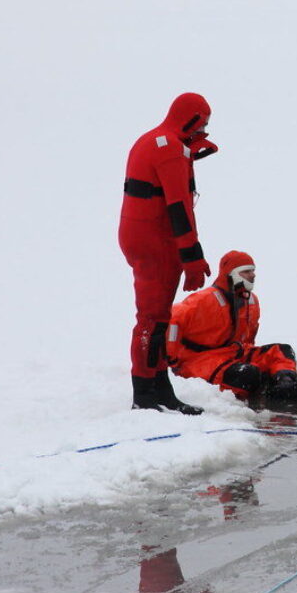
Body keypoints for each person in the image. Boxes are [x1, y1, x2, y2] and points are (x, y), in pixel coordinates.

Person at [120, 92, 219, 415]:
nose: (203, 129)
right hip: (155, 240)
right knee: (152, 319)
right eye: (202, 123)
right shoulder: (171, 149)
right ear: (191, 119)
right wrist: (193, 256)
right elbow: (179, 207)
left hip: (144, 235)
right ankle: (145, 394)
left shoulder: (153, 139)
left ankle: (159, 388)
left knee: (157, 317)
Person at [167, 250, 297, 402]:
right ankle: (260, 387)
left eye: (253, 271)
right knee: (248, 374)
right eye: (246, 271)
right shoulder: (205, 300)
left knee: (282, 351)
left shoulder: (251, 301)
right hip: (200, 360)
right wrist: (171, 360)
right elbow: (172, 319)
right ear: (231, 273)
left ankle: (285, 384)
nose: (253, 275)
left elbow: (249, 338)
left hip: (233, 353)